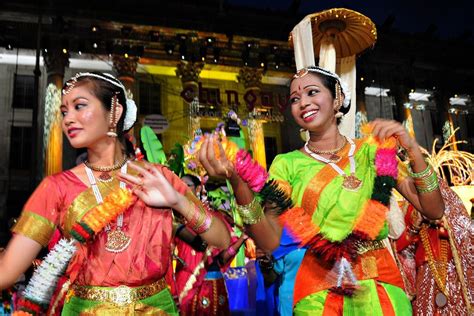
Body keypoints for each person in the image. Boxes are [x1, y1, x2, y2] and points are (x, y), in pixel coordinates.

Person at [198, 66, 446, 315]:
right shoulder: (287, 164)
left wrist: (413, 149)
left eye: (312, 92)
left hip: (381, 288)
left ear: (337, 97)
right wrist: (237, 181)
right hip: (317, 292)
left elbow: (433, 209)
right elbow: (269, 241)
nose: (303, 103)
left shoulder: (372, 151)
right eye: (295, 99)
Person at [0, 72, 230, 315]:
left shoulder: (157, 177)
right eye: (65, 111)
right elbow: (6, 273)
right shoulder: (56, 187)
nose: (68, 119)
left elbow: (222, 239)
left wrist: (178, 202)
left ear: (114, 111)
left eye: (79, 106)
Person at [174, 174, 246, 315]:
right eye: (178, 185)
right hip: (185, 285)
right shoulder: (175, 220)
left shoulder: (214, 218)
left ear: (199, 188)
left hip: (211, 284)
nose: (181, 189)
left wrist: (243, 238)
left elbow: (222, 259)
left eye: (186, 185)